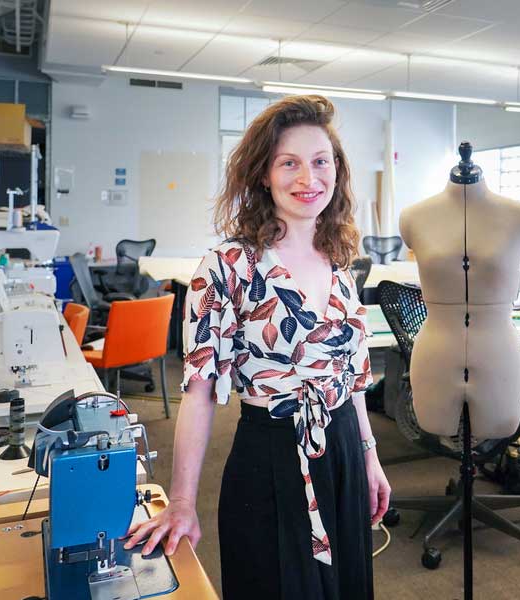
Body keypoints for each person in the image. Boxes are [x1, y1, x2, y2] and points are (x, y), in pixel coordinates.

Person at [124, 94, 391, 600]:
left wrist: (370, 457)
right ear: (263, 174)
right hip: (269, 455)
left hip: (342, 455)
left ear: (337, 171)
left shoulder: (339, 261)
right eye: (288, 163)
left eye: (320, 162)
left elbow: (351, 377)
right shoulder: (227, 266)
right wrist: (181, 500)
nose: (307, 179)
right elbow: (199, 392)